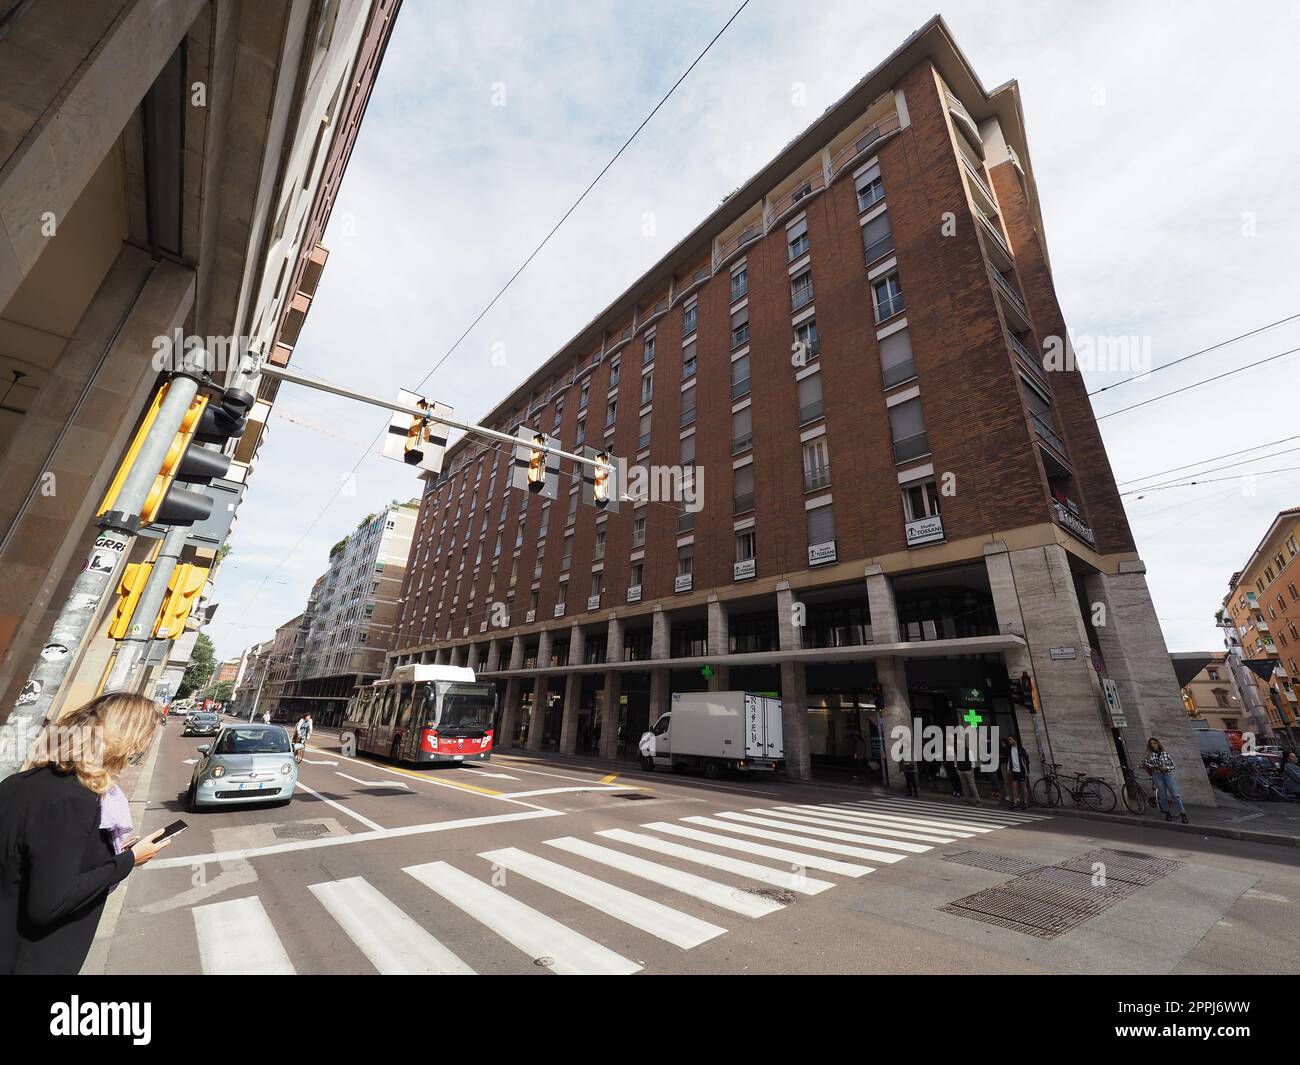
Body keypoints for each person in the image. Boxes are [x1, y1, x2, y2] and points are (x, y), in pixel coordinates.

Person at [1, 693, 172, 974]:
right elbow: (48, 905)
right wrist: (128, 861)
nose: (138, 753)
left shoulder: (20, 781)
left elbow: (48, 858)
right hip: (31, 959)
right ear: (123, 741)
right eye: (141, 742)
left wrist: (111, 851)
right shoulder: (74, 799)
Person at [1141, 737, 1188, 823]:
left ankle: (1183, 814)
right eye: (1151, 744)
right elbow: (1145, 763)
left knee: (1175, 795)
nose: (1153, 745)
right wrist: (1155, 767)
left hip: (1168, 775)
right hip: (1157, 775)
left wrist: (1167, 768)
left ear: (1158, 743)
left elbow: (1173, 765)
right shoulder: (1149, 754)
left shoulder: (1165, 753)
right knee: (1163, 796)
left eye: (1155, 743)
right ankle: (1167, 813)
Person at [1003, 735, 1030, 809]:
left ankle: (1025, 802)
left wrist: (1027, 771)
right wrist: (1008, 769)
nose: (1009, 741)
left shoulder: (1021, 749)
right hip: (1013, 771)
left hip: (1021, 771)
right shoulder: (1009, 749)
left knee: (1023, 786)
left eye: (1010, 740)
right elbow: (1009, 760)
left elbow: (1026, 761)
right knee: (1014, 787)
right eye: (1008, 740)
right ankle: (1015, 803)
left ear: (1015, 740)